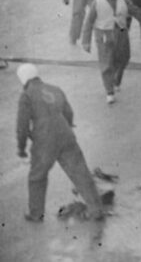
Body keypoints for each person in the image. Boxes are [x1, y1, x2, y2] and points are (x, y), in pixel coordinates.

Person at [16, 63, 105, 223]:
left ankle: (36, 214)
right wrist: (67, 128)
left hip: (44, 141)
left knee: (37, 177)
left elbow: (22, 126)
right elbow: (69, 113)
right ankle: (96, 210)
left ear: (23, 80)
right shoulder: (55, 89)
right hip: (66, 136)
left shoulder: (27, 95)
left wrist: (21, 150)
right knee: (80, 173)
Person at [82, 0, 141, 103]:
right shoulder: (97, 2)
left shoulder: (123, 0)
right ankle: (109, 91)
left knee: (125, 57)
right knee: (106, 62)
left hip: (121, 32)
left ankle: (117, 79)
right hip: (104, 35)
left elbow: (138, 13)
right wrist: (85, 41)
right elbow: (88, 22)